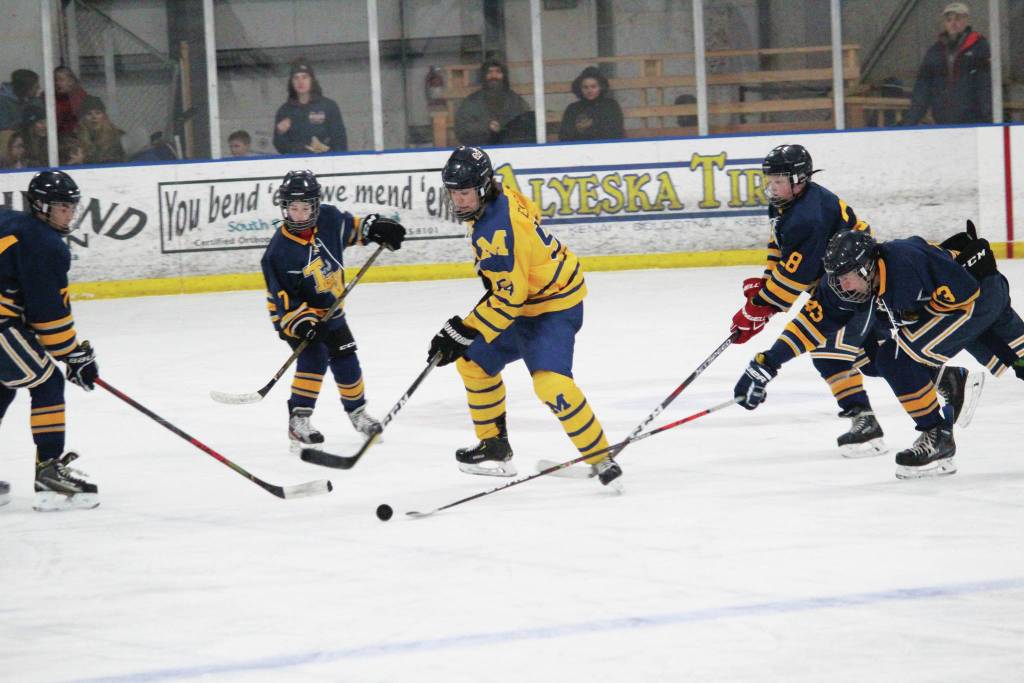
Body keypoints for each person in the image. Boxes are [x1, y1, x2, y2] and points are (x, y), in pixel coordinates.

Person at [734, 227, 1022, 479]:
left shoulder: (905, 261)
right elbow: (811, 323)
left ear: (867, 267)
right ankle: (947, 384)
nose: (842, 285)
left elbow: (965, 291)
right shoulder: (851, 283)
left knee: (896, 358)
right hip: (968, 297)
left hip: (976, 295)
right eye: (837, 278)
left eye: (847, 277)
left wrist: (920, 323)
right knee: (876, 358)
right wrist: (767, 363)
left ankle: (937, 435)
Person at [426, 146, 621, 487]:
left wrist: (463, 330)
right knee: (473, 362)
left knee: (550, 383)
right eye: (453, 193)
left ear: (484, 186)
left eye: (465, 192)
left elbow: (508, 298)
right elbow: (529, 226)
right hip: (530, 300)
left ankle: (601, 458)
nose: (458, 201)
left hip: (554, 307)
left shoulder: (495, 232)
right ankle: (494, 446)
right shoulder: (503, 195)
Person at [261, 170, 405, 453]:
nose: (299, 215)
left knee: (346, 356)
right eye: (293, 208)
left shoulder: (328, 219)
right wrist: (304, 324)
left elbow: (354, 228)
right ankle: (299, 420)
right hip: (294, 316)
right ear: (284, 207)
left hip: (331, 308)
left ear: (315, 206)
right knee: (314, 358)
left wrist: (376, 228)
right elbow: (283, 301)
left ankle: (358, 413)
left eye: (305, 208)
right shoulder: (277, 253)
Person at [0, 171, 100, 511]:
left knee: (3, 385)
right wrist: (72, 356)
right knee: (47, 383)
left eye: (72, 206)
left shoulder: (11, 221)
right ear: (41, 206)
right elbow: (48, 316)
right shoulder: (45, 245)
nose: (69, 213)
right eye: (62, 207)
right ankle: (49, 470)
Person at [902, 2, 991, 126]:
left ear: (967, 20)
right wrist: (909, 122)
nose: (953, 23)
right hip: (943, 123)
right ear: (945, 23)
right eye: (949, 20)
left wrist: (987, 119)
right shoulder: (935, 52)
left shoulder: (979, 47)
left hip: (973, 123)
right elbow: (923, 89)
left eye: (958, 19)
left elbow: (985, 85)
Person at [272, 61, 347, 155]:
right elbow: (280, 147)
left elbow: (340, 140)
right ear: (291, 82)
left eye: (304, 77)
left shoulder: (328, 106)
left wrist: (328, 154)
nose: (300, 82)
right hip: (297, 165)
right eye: (296, 78)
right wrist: (280, 133)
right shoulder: (284, 111)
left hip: (325, 164)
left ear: (312, 80)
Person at [453, 59, 531, 146]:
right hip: (481, 148)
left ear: (504, 75)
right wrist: (487, 126)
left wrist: (505, 128)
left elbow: (526, 124)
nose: (494, 76)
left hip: (510, 147)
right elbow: (462, 129)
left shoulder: (515, 100)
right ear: (483, 76)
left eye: (498, 72)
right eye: (489, 72)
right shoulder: (472, 102)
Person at [558, 66, 624, 142]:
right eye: (585, 87)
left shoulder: (611, 106)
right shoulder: (573, 109)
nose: (589, 90)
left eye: (593, 86)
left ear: (601, 87)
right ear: (580, 89)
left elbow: (615, 133)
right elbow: (564, 136)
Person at [75, 96, 125, 164]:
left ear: (104, 116)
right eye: (89, 114)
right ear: (83, 118)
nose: (94, 117)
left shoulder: (118, 136)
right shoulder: (76, 138)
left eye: (98, 113)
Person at [54, 66, 88, 136]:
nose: (57, 83)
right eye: (55, 80)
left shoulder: (80, 97)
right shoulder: (51, 97)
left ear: (71, 81)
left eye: (61, 80)